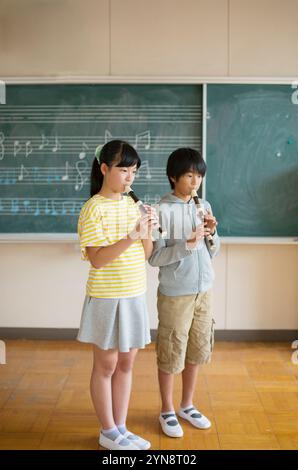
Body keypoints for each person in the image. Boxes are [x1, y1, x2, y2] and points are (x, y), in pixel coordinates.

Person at [77, 139, 158, 450]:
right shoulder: (92, 208)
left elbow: (147, 254)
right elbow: (97, 259)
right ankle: (107, 430)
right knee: (106, 366)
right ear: (104, 169)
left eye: (134, 171)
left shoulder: (131, 205)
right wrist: (131, 235)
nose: (129, 178)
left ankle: (121, 428)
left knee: (126, 364)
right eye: (124, 170)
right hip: (107, 297)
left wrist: (147, 231)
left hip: (135, 293)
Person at [148, 147, 220, 438]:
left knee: (197, 347)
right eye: (189, 175)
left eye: (199, 176)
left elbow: (213, 252)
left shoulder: (204, 206)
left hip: (204, 291)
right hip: (176, 294)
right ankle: (166, 408)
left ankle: (186, 405)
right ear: (172, 177)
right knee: (171, 350)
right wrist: (186, 246)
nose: (195, 182)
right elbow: (154, 258)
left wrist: (212, 234)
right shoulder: (160, 211)